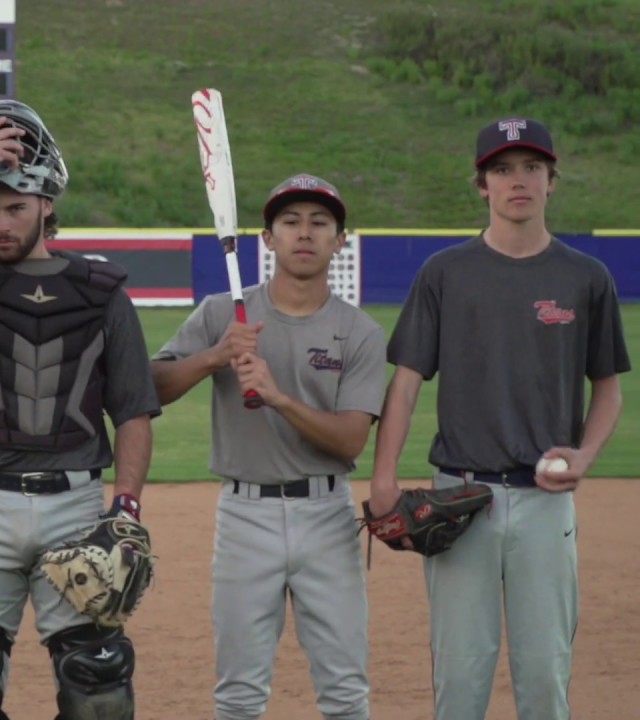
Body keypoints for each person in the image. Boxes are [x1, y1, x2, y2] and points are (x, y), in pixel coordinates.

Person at [368, 118, 630, 720]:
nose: (519, 181)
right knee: (460, 678)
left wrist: (585, 455)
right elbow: (405, 383)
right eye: (503, 169)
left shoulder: (586, 277)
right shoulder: (444, 272)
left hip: (546, 501)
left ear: (551, 181)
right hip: (461, 500)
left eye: (532, 168)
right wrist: (383, 477)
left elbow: (608, 389)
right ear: (482, 184)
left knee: (545, 676)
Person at [0, 99, 161, 720]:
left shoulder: (102, 293)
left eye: (15, 207)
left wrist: (126, 507)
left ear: (47, 204)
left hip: (76, 503)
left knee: (97, 684)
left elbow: (133, 410)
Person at [151, 174, 386, 720]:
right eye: (291, 221)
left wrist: (279, 398)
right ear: (268, 238)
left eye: (319, 223)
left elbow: (350, 440)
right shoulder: (222, 314)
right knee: (238, 693)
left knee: (346, 691)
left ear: (339, 241)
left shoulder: (360, 332)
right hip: (244, 514)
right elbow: (148, 387)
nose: (305, 233)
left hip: (327, 515)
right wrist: (214, 356)